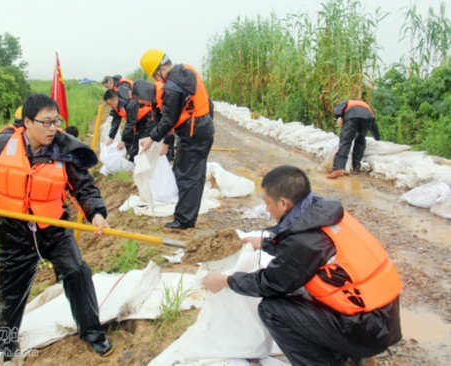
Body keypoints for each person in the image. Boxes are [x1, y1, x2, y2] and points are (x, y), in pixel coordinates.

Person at [0, 94, 113, 360]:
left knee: (77, 273)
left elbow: (85, 188)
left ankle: (92, 333)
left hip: (53, 228)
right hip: (13, 230)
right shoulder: (0, 145)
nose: (53, 128)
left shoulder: (65, 151)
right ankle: (2, 347)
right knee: (9, 291)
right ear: (27, 123)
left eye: (56, 121)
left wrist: (96, 213)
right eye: (46, 122)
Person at [203, 165, 402, 366]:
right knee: (301, 291)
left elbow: (271, 282)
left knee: (272, 308)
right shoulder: (321, 212)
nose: (266, 209)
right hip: (381, 319)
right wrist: (265, 243)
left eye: (267, 202)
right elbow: (304, 252)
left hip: (366, 330)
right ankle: (351, 356)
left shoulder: (305, 240)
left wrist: (224, 281)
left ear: (283, 203)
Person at [139, 49, 215, 229]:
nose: (157, 81)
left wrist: (151, 138)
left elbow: (168, 119)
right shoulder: (188, 70)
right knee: (194, 174)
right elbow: (208, 103)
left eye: (156, 77)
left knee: (187, 176)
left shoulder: (172, 87)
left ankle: (184, 220)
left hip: (193, 132)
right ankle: (187, 216)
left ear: (160, 69)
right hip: (203, 127)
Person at [327, 99, 376, 179]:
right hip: (367, 118)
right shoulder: (366, 106)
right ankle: (356, 167)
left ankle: (338, 169)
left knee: (346, 141)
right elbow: (373, 121)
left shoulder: (347, 102)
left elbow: (339, 108)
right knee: (360, 141)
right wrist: (377, 137)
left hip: (352, 116)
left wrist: (338, 116)